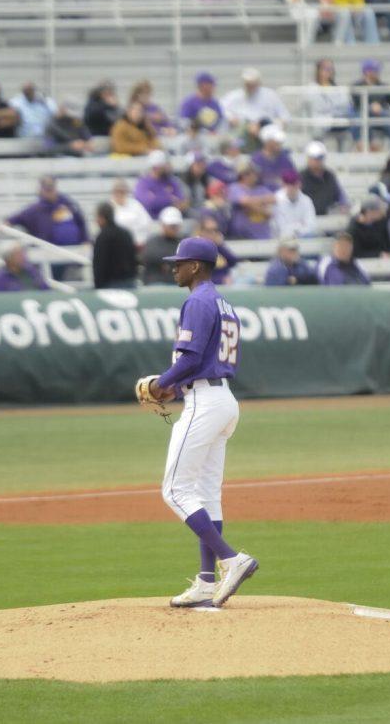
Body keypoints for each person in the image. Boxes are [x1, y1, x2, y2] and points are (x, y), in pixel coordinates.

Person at [138, 235, 257, 608]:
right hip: (221, 399)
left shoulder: (198, 300)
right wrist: (177, 385)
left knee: (174, 490)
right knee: (206, 494)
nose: (174, 267)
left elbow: (189, 360)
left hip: (205, 402)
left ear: (197, 267)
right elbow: (200, 360)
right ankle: (207, 582)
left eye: (180, 262)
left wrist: (161, 383)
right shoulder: (222, 302)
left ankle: (231, 559)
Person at [6, 176, 89, 247]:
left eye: (51, 187)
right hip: (47, 252)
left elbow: (81, 222)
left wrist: (86, 240)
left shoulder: (68, 204)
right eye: (47, 188)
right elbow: (12, 220)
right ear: (41, 189)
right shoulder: (34, 210)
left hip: (73, 251)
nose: (50, 191)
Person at [350, 59, 390, 155]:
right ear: (367, 71)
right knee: (360, 116)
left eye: (377, 70)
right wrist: (370, 106)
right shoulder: (356, 86)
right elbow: (357, 104)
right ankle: (367, 146)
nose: (377, 73)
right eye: (374, 70)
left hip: (382, 116)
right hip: (363, 115)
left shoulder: (384, 86)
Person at [220, 68, 290, 136]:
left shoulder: (270, 96)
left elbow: (285, 117)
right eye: (248, 84)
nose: (250, 87)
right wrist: (230, 118)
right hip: (241, 133)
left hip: (265, 135)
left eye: (253, 84)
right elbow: (220, 108)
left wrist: (267, 126)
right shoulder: (234, 96)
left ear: (259, 83)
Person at [303, 58, 351, 145]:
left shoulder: (338, 89)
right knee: (319, 127)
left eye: (331, 69)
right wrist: (333, 109)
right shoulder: (311, 88)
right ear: (318, 71)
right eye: (326, 68)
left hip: (337, 119)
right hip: (320, 120)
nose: (329, 71)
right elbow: (317, 107)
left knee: (349, 121)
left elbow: (345, 105)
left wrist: (333, 110)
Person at [92, 202, 138, 289]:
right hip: (130, 282)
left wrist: (98, 286)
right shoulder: (126, 233)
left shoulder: (102, 237)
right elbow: (134, 258)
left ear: (102, 218)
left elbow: (99, 264)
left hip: (109, 285)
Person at [226, 162, 276, 240]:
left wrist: (252, 204)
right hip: (242, 237)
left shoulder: (261, 189)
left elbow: (273, 199)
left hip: (263, 235)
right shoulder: (234, 187)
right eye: (252, 172)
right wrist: (262, 205)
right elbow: (244, 201)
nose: (256, 175)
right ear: (244, 175)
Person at [134, 151, 188, 217]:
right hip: (151, 220)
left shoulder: (171, 180)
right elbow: (148, 204)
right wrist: (170, 199)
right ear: (156, 167)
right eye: (165, 165)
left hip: (172, 219)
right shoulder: (143, 183)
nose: (168, 167)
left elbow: (182, 202)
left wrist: (157, 198)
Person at [300, 140, 348, 215]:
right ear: (308, 159)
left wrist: (343, 205)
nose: (317, 161)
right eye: (314, 158)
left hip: (327, 216)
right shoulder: (301, 177)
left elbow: (340, 195)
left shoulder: (329, 176)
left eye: (320, 158)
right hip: (306, 217)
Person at [143, 207, 184, 286]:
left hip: (178, 284)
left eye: (176, 225)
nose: (174, 228)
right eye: (171, 226)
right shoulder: (152, 242)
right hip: (155, 283)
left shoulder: (183, 242)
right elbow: (150, 257)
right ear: (163, 225)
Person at [108, 179, 153, 248]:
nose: (119, 194)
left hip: (137, 243)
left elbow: (147, 222)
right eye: (117, 191)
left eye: (122, 191)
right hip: (116, 245)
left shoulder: (135, 204)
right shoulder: (109, 207)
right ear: (113, 192)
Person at [272, 169, 317, 238]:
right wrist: (299, 225)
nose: (291, 187)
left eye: (293, 184)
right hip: (281, 240)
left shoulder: (306, 200)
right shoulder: (276, 200)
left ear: (299, 184)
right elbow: (280, 227)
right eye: (288, 183)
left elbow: (311, 225)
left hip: (303, 238)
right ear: (283, 184)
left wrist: (295, 230)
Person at [197, 216, 240, 285]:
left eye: (215, 230)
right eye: (209, 231)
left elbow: (233, 262)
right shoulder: (196, 249)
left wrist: (220, 246)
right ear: (201, 232)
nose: (213, 233)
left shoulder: (219, 248)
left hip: (225, 286)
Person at [250, 124, 296, 189]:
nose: (280, 143)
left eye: (280, 142)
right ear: (267, 142)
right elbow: (253, 183)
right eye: (276, 141)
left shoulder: (285, 158)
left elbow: (294, 179)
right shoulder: (256, 159)